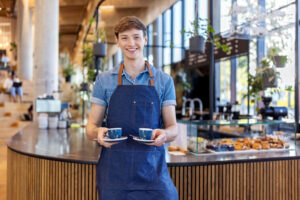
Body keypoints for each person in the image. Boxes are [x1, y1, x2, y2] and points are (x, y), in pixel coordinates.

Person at [86, 16, 179, 199]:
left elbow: (173, 128)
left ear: (145, 39)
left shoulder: (164, 81)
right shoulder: (104, 80)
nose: (131, 43)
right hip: (114, 174)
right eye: (125, 38)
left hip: (152, 172)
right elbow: (90, 128)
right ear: (118, 42)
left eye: (136, 37)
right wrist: (98, 133)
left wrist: (165, 135)